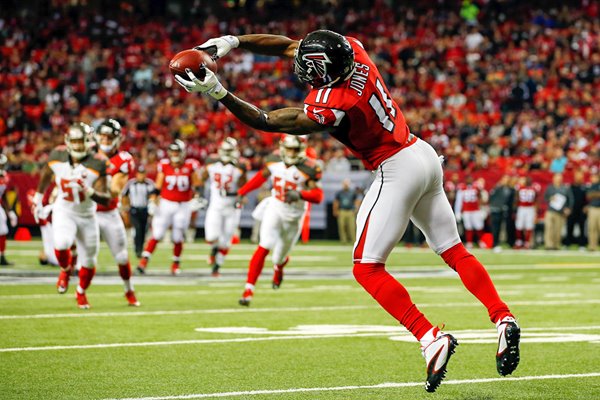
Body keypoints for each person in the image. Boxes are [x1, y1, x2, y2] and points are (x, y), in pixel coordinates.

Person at [175, 30, 520, 392]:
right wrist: (232, 42)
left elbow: (266, 120)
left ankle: (430, 337)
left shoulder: (335, 102)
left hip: (394, 166)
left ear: (323, 71)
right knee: (453, 250)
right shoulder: (352, 49)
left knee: (367, 268)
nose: (298, 67)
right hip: (422, 152)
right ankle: (502, 318)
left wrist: (218, 92)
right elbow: (289, 45)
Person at [235, 135, 323, 305]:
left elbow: (318, 196)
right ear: (283, 147)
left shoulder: (309, 167)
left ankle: (279, 268)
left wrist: (300, 194)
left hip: (294, 216)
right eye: (288, 148)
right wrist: (242, 191)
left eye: (295, 149)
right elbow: (260, 177)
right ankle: (248, 290)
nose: (291, 152)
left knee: (279, 257)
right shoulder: (273, 160)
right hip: (275, 207)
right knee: (264, 245)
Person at [31, 123, 110, 309]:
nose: (77, 146)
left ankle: (81, 292)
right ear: (67, 142)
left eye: (80, 142)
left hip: (87, 214)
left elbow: (106, 198)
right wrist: (38, 198)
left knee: (90, 260)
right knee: (61, 243)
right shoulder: (57, 155)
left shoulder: (98, 161)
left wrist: (89, 190)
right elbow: (46, 174)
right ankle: (66, 270)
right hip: (64, 210)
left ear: (88, 143)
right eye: (73, 141)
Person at [136, 140, 202, 275]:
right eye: (173, 151)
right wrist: (152, 201)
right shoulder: (164, 165)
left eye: (177, 151)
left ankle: (175, 264)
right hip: (166, 203)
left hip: (183, 205)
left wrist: (197, 198)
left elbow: (198, 185)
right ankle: (143, 262)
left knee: (178, 235)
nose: (175, 154)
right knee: (157, 233)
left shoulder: (190, 165)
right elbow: (157, 187)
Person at [94, 119, 140, 306]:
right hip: (87, 212)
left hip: (109, 211)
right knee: (84, 256)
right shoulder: (86, 155)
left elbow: (114, 191)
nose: (105, 140)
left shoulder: (124, 159)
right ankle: (79, 291)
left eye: (109, 136)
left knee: (121, 256)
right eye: (102, 136)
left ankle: (129, 290)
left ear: (117, 138)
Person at [198, 138, 247, 276]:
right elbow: (201, 179)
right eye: (225, 150)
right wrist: (199, 194)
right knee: (211, 236)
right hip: (216, 205)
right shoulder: (211, 163)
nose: (226, 153)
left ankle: (217, 266)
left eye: (229, 151)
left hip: (232, 207)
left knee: (226, 241)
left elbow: (244, 186)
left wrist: (242, 197)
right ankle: (214, 250)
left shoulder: (240, 166)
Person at [122, 164, 155, 258]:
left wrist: (152, 206)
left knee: (144, 230)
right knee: (138, 228)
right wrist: (125, 207)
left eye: (143, 174)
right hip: (134, 209)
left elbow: (154, 195)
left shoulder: (149, 183)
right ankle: (137, 249)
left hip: (145, 210)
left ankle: (140, 248)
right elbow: (124, 195)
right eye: (140, 174)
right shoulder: (131, 183)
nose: (141, 176)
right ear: (137, 174)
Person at [454, 176, 487, 248]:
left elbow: (481, 199)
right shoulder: (462, 188)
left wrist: (483, 210)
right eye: (468, 179)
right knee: (468, 227)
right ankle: (469, 242)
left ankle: (480, 241)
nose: (469, 180)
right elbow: (458, 201)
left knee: (479, 226)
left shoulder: (477, 187)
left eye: (470, 179)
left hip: (476, 210)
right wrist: (457, 212)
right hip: (466, 211)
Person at [543, 173, 573, 250]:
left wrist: (568, 208)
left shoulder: (565, 188)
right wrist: (550, 198)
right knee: (549, 228)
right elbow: (545, 198)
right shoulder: (550, 187)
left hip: (560, 212)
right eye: (557, 178)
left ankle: (556, 245)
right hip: (550, 211)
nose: (558, 179)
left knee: (558, 229)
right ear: (553, 178)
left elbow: (571, 199)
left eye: (560, 178)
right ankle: (549, 245)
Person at [488, 175, 514, 251]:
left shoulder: (509, 189)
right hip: (495, 209)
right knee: (495, 228)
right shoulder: (497, 188)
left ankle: (497, 243)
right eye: (505, 179)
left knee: (499, 228)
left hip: (501, 210)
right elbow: (491, 196)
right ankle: (494, 243)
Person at [0, 154, 18, 266]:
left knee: (3, 230)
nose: (2, 167)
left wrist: (10, 211)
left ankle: (1, 256)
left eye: (2, 165)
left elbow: (4, 196)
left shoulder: (4, 177)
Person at [514, 176, 540, 249]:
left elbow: (516, 199)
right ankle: (525, 242)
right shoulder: (533, 188)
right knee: (524, 226)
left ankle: (521, 242)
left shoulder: (519, 188)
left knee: (523, 226)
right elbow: (536, 200)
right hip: (528, 208)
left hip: (523, 208)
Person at [333, 178, 359, 244]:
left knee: (352, 227)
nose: (346, 185)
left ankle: (353, 240)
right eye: (345, 184)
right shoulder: (339, 193)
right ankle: (343, 240)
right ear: (342, 184)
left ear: (349, 184)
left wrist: (356, 209)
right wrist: (335, 210)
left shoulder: (352, 192)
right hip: (342, 210)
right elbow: (336, 202)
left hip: (350, 211)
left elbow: (356, 201)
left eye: (347, 184)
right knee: (341, 226)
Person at [566, 171, 587, 248]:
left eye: (580, 177)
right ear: (575, 178)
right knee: (569, 227)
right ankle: (567, 244)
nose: (579, 178)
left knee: (582, 228)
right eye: (577, 177)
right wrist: (567, 207)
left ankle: (582, 244)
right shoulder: (570, 187)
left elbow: (587, 199)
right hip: (572, 210)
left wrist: (586, 206)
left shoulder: (584, 187)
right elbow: (567, 198)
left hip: (581, 211)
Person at [586, 172, 600, 251]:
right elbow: (588, 196)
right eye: (592, 177)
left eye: (595, 177)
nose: (593, 179)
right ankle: (592, 246)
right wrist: (597, 194)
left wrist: (593, 194)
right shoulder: (590, 186)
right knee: (592, 228)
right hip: (592, 209)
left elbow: (591, 195)